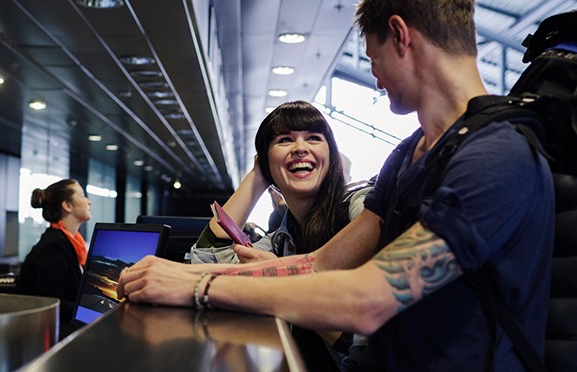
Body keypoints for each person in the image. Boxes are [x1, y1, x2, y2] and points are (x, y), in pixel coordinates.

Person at [118, 0, 554, 370]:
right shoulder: (409, 154)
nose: (375, 74)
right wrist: (188, 273)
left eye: (372, 56)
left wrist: (197, 287)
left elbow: (369, 298)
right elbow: (321, 264)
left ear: (400, 36)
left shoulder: (496, 156)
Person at [191, 101, 353, 265]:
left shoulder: (359, 208)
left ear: (331, 155)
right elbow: (207, 260)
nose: (300, 148)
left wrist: (282, 271)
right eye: (285, 140)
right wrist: (258, 176)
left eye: (313, 138)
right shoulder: (281, 239)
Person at [15, 179, 91, 339]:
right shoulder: (54, 246)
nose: (88, 202)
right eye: (83, 196)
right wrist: (89, 310)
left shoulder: (71, 242)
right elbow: (51, 302)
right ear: (67, 206)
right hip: (48, 334)